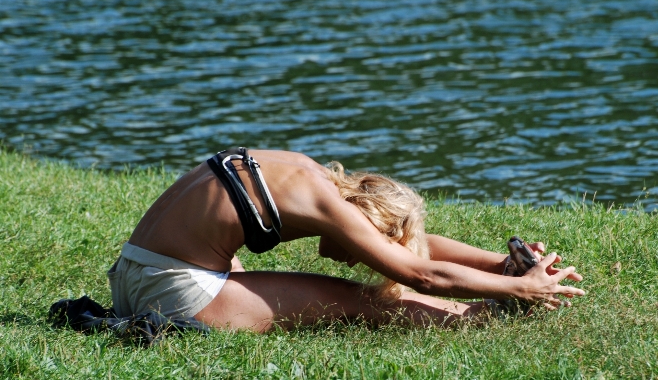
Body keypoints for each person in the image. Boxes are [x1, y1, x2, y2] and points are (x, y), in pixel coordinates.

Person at [108, 147, 585, 333]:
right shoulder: (329, 207)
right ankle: (483, 319)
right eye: (367, 247)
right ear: (366, 222)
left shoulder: (308, 175)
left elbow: (414, 249)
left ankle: (498, 294)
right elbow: (420, 272)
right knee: (361, 301)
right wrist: (523, 288)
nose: (359, 259)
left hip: (135, 273)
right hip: (167, 292)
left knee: (332, 289)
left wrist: (501, 266)